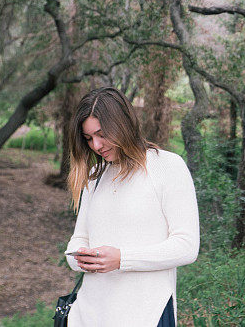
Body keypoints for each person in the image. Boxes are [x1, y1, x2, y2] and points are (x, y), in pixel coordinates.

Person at [64, 87, 199, 327]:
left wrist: (121, 259)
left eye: (102, 134)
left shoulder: (167, 166)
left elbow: (187, 246)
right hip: (89, 316)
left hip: (147, 314)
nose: (96, 145)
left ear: (122, 124)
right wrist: (81, 258)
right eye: (88, 138)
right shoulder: (95, 176)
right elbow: (79, 239)